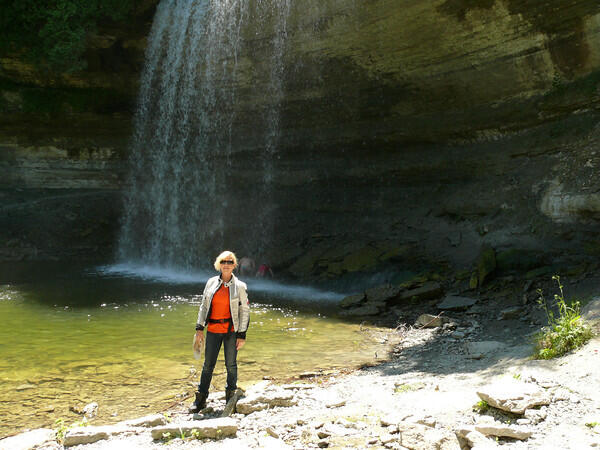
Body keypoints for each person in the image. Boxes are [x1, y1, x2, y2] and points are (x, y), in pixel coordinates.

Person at [189, 250, 250, 413]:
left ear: (234, 265)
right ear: (218, 264)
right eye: (224, 261)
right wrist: (199, 328)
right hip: (213, 330)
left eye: (230, 262)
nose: (227, 265)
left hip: (231, 331)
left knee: (231, 365)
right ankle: (200, 400)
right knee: (208, 365)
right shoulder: (210, 283)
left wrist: (242, 334)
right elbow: (203, 306)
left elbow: (245, 311)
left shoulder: (240, 287)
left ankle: (230, 398)